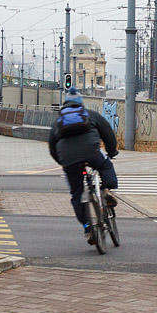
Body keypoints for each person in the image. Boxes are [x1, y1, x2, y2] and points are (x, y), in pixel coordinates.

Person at [48, 87, 119, 243]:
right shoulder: (90, 115)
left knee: (77, 195)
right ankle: (106, 191)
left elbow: (52, 147)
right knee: (105, 165)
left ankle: (88, 228)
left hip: (68, 159)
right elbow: (107, 133)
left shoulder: (58, 121)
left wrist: (64, 163)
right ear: (81, 103)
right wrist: (112, 151)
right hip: (91, 152)